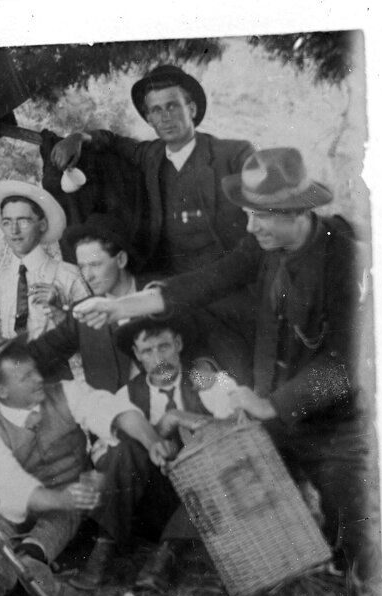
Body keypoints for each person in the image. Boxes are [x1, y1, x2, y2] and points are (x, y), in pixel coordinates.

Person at [74, 147, 378, 593]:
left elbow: (344, 366)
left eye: (261, 216)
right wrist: (121, 306)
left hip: (331, 422)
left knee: (353, 545)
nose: (250, 228)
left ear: (296, 211)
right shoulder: (262, 246)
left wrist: (272, 404)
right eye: (248, 215)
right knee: (258, 519)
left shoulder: (345, 261)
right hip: (272, 413)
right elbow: (206, 282)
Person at [50, 64, 256, 383]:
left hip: (226, 290)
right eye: (156, 110)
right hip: (171, 293)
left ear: (192, 108)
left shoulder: (232, 155)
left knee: (237, 377)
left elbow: (263, 214)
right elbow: (111, 140)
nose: (165, 117)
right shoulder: (152, 155)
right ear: (148, 119)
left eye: (173, 105)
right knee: (171, 376)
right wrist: (79, 137)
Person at [0, 334, 161, 596]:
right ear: (1, 390)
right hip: (19, 504)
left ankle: (26, 558)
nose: (38, 379)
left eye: (35, 370)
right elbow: (14, 490)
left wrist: (153, 440)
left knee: (64, 515)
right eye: (26, 377)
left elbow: (111, 410)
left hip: (70, 501)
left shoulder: (66, 392)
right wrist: (61, 498)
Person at [110, 316, 238, 592]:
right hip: (154, 503)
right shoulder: (127, 395)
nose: (158, 359)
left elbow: (239, 431)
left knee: (217, 460)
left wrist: (179, 416)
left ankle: (166, 555)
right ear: (137, 355)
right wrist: (159, 433)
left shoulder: (205, 379)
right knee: (124, 449)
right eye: (147, 351)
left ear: (178, 344)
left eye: (164, 346)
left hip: (212, 498)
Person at [26, 214, 144, 391]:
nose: (87, 276)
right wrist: (1, 364)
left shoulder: (161, 297)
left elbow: (181, 371)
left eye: (95, 265)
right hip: (104, 408)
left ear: (121, 260)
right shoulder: (82, 313)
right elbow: (39, 352)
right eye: (82, 267)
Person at [0, 180, 90, 340]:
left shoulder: (68, 276)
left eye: (23, 221)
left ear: (42, 225)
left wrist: (61, 313)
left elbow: (93, 335)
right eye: (7, 222)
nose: (14, 230)